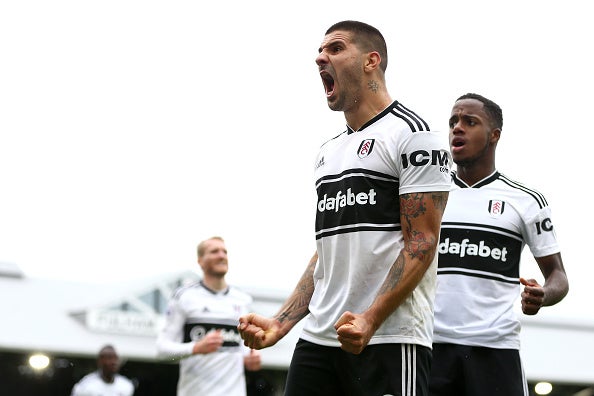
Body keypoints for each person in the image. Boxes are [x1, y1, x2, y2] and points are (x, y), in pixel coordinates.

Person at [238, 20, 451, 396]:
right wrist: (281, 323)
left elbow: (421, 242)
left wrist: (370, 319)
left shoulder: (413, 134)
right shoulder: (328, 152)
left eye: (335, 49)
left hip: (388, 338)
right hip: (320, 338)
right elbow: (326, 254)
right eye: (320, 51)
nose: (321, 57)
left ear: (372, 61)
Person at [429, 93, 569, 396]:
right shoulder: (427, 196)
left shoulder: (526, 201)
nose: (457, 128)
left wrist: (542, 295)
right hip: (431, 346)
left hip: (494, 348)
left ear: (494, 135)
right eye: (453, 121)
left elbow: (558, 276)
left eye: (469, 121)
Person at [156, 236, 261, 396]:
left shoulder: (243, 299)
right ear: (200, 261)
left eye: (224, 251)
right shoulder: (184, 296)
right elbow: (162, 351)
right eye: (214, 251)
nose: (221, 255)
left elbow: (243, 350)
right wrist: (196, 348)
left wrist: (252, 358)